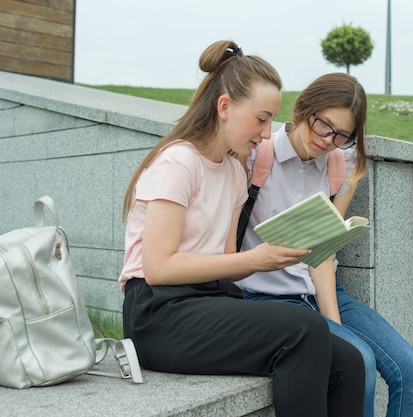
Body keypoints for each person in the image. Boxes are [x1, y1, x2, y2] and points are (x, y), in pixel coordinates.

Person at [119, 41, 365, 417]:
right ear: (224, 107)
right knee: (304, 328)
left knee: (347, 361)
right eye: (262, 118)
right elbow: (158, 268)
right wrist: (256, 259)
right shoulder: (179, 163)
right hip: (157, 314)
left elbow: (225, 262)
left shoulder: (234, 172)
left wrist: (277, 253)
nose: (268, 134)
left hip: (208, 301)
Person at [237, 72, 413, 417]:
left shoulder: (342, 163)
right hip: (266, 297)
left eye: (342, 135)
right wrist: (344, 344)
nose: (328, 140)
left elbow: (323, 255)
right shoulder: (255, 157)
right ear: (302, 110)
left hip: (324, 289)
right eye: (323, 126)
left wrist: (336, 329)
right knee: (360, 361)